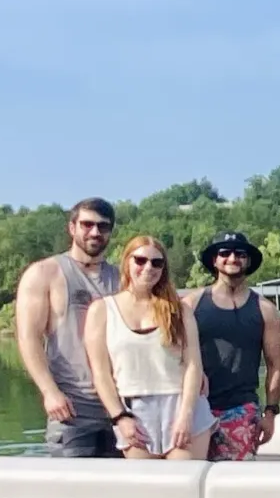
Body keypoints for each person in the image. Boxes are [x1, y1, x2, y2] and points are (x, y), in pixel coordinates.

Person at [83, 236, 214, 460]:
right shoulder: (102, 310)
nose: (148, 268)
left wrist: (186, 415)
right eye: (140, 260)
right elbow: (101, 374)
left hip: (182, 406)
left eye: (156, 263)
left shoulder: (179, 311)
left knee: (184, 487)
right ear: (127, 263)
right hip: (134, 411)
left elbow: (193, 365)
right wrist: (120, 417)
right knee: (146, 491)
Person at [15, 197, 123, 458]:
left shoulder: (123, 277)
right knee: (76, 493)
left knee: (121, 494)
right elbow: (28, 338)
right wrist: (49, 392)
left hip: (121, 408)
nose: (95, 232)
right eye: (87, 224)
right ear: (72, 228)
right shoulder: (45, 273)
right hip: (72, 410)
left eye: (103, 226)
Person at [186, 232, 280, 462]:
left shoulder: (265, 309)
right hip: (197, 407)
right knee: (192, 481)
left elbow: (276, 365)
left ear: (248, 261)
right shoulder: (191, 304)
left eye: (240, 254)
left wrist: (270, 412)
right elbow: (174, 355)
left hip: (242, 410)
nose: (233, 258)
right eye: (225, 253)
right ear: (214, 260)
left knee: (237, 484)